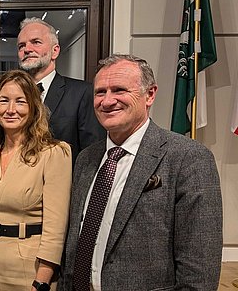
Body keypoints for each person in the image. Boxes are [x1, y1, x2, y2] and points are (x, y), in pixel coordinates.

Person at [59, 55, 223, 290]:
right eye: (100, 92)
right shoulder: (86, 159)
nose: (107, 101)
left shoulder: (188, 158)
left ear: (150, 95)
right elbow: (75, 246)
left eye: (119, 90)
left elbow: (199, 273)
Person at [0, 70, 71, 291]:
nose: (11, 110)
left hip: (31, 269)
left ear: (33, 107)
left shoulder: (55, 153)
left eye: (20, 101)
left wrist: (41, 281)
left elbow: (55, 228)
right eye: (4, 101)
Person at [17, 17, 104, 164]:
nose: (27, 49)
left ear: (55, 51)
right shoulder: (11, 97)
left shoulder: (82, 93)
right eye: (21, 46)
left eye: (36, 42)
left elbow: (93, 154)